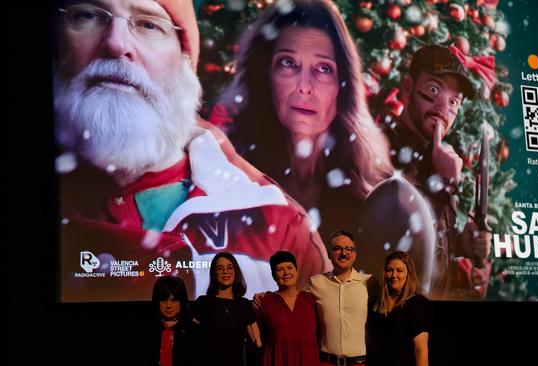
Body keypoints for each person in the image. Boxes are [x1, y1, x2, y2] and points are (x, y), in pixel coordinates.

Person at [54, 0, 331, 302]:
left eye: (149, 24)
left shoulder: (276, 219)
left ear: (185, 60)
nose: (116, 43)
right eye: (89, 15)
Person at [219, 0, 392, 240]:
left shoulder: (372, 188)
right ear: (265, 75)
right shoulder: (230, 168)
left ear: (343, 86)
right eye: (288, 63)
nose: (304, 87)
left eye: (323, 69)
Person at [360, 44, 491, 300]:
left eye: (454, 102)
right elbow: (393, 238)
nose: (444, 109)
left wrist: (463, 243)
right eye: (433, 90)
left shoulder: (438, 159)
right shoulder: (377, 147)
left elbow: (432, 244)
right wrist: (444, 184)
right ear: (408, 89)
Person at [255, 230, 377, 366]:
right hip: (326, 362)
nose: (344, 253)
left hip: (359, 363)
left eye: (349, 249)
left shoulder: (369, 283)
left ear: (354, 255)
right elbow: (290, 293)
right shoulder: (316, 282)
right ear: (329, 253)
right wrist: (264, 296)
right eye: (337, 248)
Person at [194, 252, 261, 365]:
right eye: (220, 268)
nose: (225, 271)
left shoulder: (244, 305)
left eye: (230, 267)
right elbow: (192, 340)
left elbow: (257, 342)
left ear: (235, 272)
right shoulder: (203, 302)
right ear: (214, 273)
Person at [367, 251, 430, 366]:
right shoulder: (375, 303)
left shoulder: (417, 304)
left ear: (408, 274)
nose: (394, 275)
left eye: (399, 271)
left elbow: (420, 351)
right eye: (390, 270)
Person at [257, 251, 320, 366]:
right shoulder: (265, 301)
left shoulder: (311, 300)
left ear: (296, 271)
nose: (286, 272)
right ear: (273, 275)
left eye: (290, 267)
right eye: (280, 269)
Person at [144, 275, 197, 366]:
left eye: (174, 300)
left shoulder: (194, 331)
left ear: (181, 301)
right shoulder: (146, 330)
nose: (168, 306)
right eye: (164, 300)